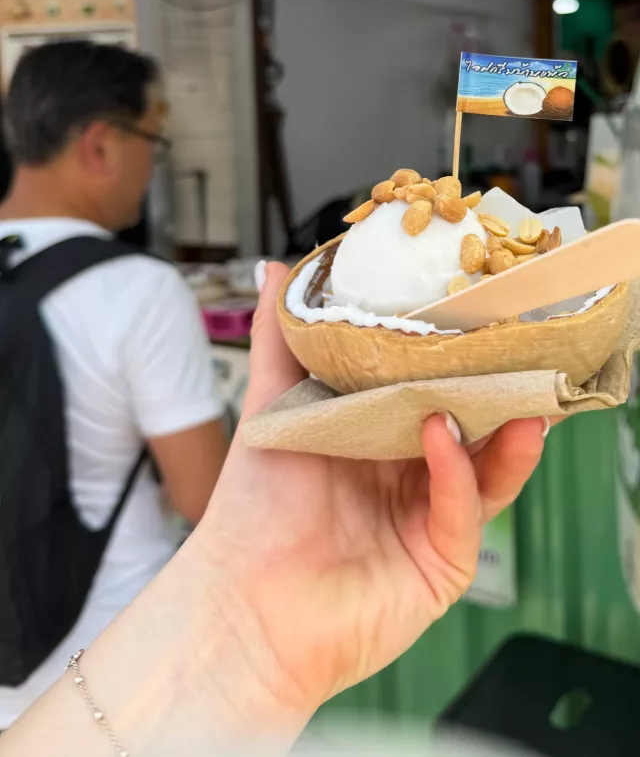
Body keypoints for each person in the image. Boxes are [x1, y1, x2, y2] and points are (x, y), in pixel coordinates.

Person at [0, 261, 546, 757]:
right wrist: (240, 625)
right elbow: (197, 493)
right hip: (108, 647)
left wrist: (247, 629)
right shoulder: (140, 286)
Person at [0, 41, 229, 729]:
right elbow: (203, 495)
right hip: (107, 676)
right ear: (101, 144)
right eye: (152, 140)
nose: (151, 166)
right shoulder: (140, 289)